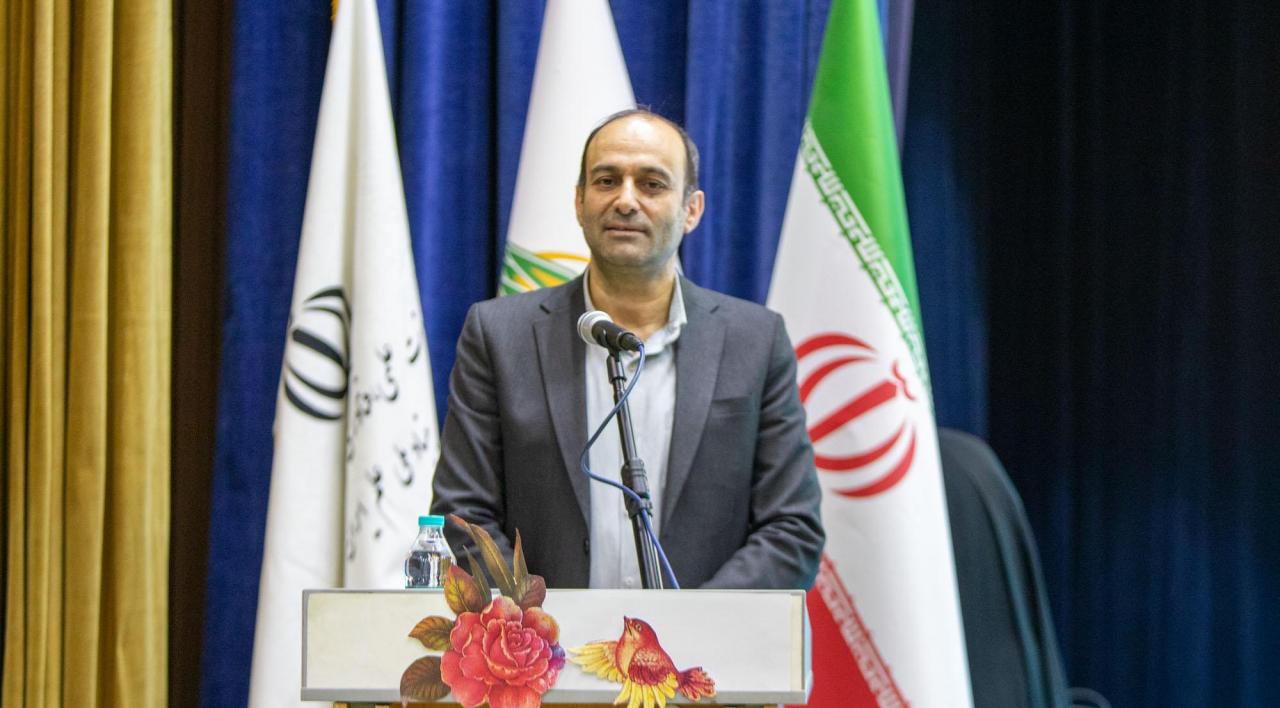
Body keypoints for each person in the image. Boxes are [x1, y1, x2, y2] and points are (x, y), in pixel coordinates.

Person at [429, 109, 823, 589]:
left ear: (692, 209)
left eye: (652, 184)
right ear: (579, 202)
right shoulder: (499, 335)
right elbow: (463, 515)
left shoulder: (755, 342)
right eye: (606, 181)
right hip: (544, 636)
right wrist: (541, 623)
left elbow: (791, 529)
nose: (626, 200)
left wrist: (699, 621)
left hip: (706, 637)